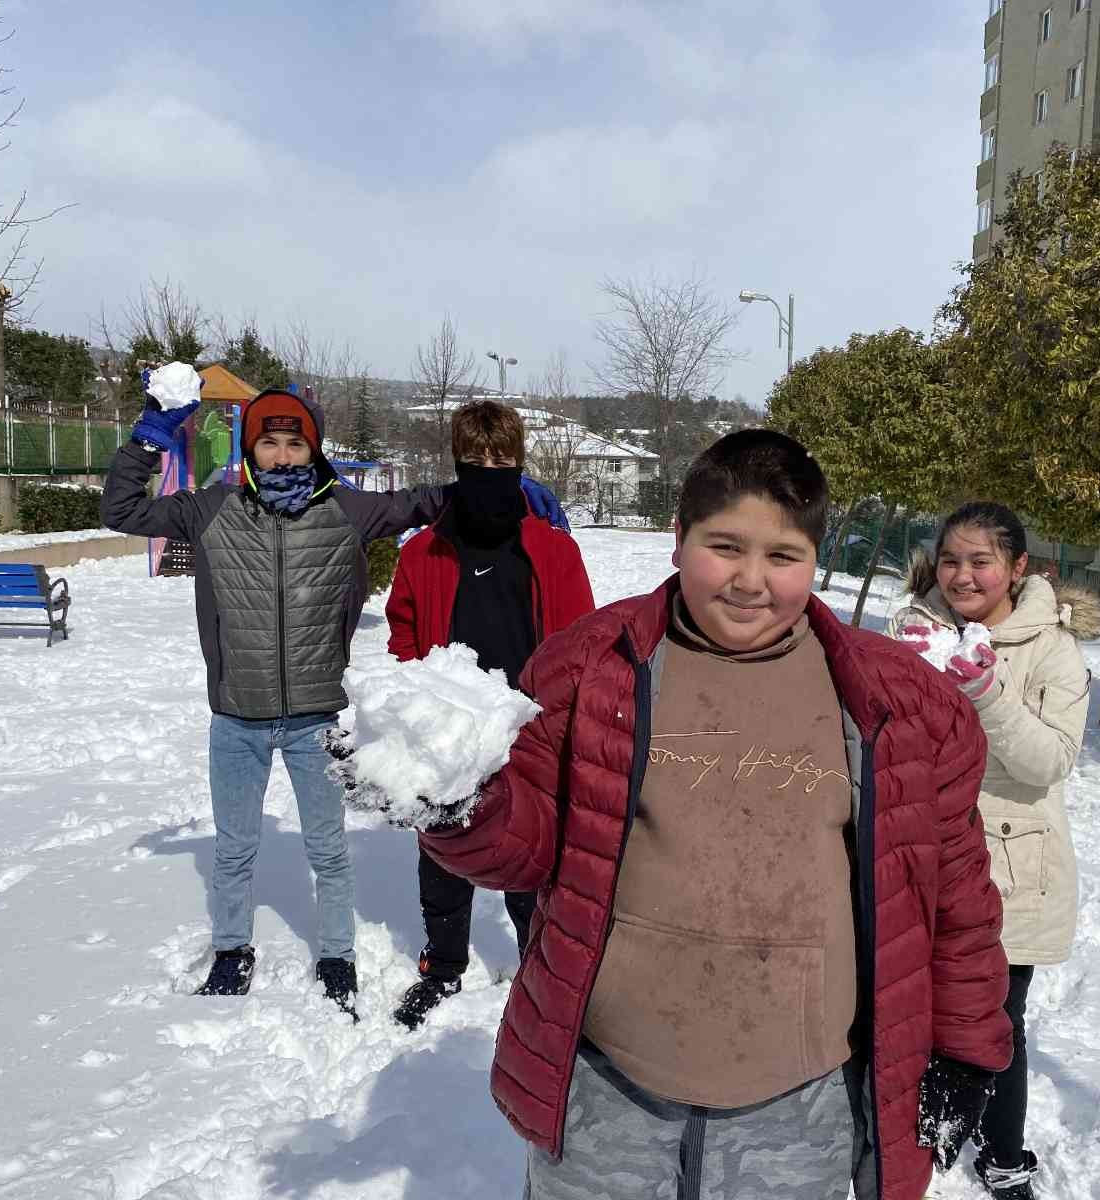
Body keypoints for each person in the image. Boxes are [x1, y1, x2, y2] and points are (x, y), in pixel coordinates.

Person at [356, 430, 1013, 1199]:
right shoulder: (588, 670)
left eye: (783, 556)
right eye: (724, 546)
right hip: (609, 1088)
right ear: (678, 538)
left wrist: (969, 1047)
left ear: (815, 558)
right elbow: (529, 848)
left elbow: (955, 897)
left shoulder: (900, 707)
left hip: (801, 1108)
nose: (750, 581)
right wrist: (460, 807)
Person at [100, 377, 565, 1017]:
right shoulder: (210, 509)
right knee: (233, 847)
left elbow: (420, 502)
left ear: (313, 447)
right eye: (270, 442)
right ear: (249, 450)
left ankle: (338, 955)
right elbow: (122, 512)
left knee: (328, 847)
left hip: (315, 717)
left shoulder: (345, 510)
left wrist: (501, 490)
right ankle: (231, 950)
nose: (284, 454)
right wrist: (149, 441)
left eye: (295, 442)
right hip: (235, 716)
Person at [889, 503, 1100, 1200]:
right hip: (919, 859)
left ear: (1017, 569)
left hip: (1013, 871)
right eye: (950, 559)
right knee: (906, 1003)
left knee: (993, 1020)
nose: (962, 575)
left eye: (981, 561)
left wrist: (985, 690)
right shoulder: (913, 629)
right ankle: (911, 1130)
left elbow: (1048, 762)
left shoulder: (1052, 650)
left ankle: (1002, 1153)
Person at [384, 400, 595, 1030]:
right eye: (474, 460)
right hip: (446, 730)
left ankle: (539, 966)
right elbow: (402, 639)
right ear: (455, 463)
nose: (487, 470)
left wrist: (565, 722)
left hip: (527, 731)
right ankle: (443, 964)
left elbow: (581, 642)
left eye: (501, 460)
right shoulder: (424, 552)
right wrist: (412, 711)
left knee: (528, 855)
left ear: (520, 465)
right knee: (443, 853)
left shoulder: (552, 551)